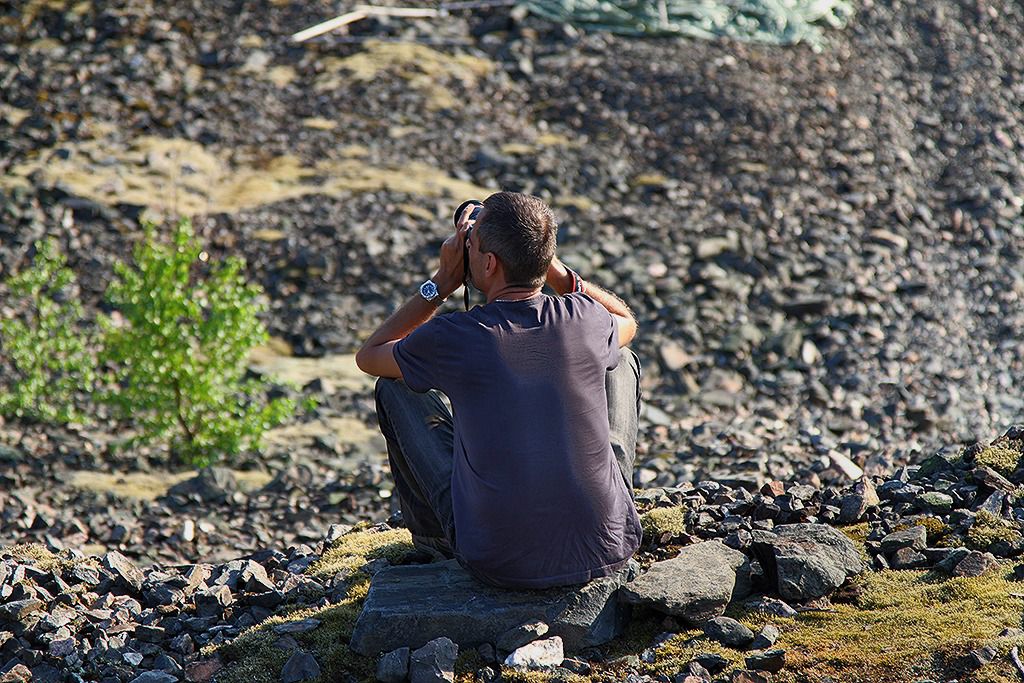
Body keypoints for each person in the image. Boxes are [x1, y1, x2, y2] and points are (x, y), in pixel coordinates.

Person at [355, 191, 643, 590]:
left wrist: (440, 283)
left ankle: (435, 540)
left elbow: (369, 356)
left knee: (396, 387)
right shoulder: (585, 317)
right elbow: (625, 320)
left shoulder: (456, 336)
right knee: (620, 358)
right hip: (609, 545)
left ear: (488, 263)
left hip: (495, 559)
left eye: (471, 245)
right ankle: (609, 495)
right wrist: (554, 271)